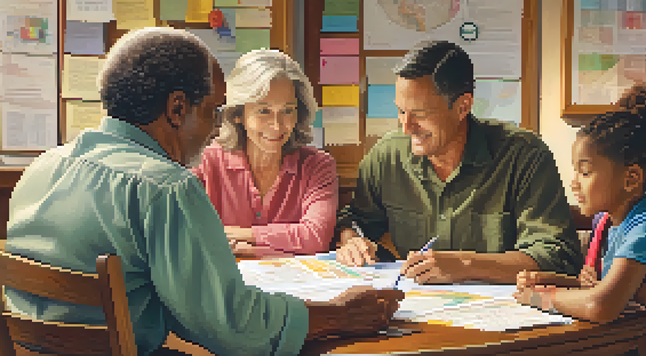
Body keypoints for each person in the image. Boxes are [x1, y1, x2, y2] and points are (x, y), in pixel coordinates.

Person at [3, 27, 403, 356]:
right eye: (212, 110)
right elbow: (234, 327)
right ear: (177, 109)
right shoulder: (165, 187)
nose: (215, 128)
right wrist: (338, 314)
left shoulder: (42, 167)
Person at [336, 40, 582, 284]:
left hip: (502, 313)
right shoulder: (387, 155)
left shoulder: (523, 155)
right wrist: (351, 240)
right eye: (401, 111)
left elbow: (557, 256)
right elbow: (355, 220)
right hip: (413, 309)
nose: (407, 127)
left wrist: (467, 265)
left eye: (420, 114)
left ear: (463, 106)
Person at [515, 82, 646, 356]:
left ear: (631, 179)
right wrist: (552, 280)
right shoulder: (613, 222)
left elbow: (601, 305)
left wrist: (539, 298)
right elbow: (609, 289)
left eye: (585, 172)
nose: (574, 183)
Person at [191, 49, 337, 258]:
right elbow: (193, 236)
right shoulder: (205, 162)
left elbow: (316, 238)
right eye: (263, 111)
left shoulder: (317, 165)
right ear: (238, 114)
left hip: (296, 286)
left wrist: (240, 240)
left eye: (287, 110)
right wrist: (278, 248)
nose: (277, 125)